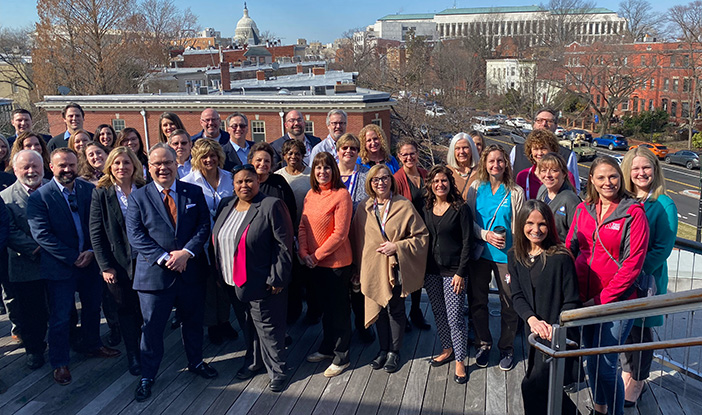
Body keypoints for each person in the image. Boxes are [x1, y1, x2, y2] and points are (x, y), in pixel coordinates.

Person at [126, 143, 216, 402]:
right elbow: (136, 235)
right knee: (152, 328)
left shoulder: (193, 191)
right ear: (149, 168)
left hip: (190, 270)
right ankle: (148, 375)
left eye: (168, 163)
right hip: (155, 276)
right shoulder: (138, 197)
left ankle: (196, 362)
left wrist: (186, 253)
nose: (163, 168)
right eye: (157, 164)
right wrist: (166, 258)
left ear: (177, 165)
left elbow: (203, 226)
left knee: (193, 322)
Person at [27, 148, 121, 386]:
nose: (68, 170)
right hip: (60, 267)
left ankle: (92, 345)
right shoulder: (40, 197)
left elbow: (100, 224)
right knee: (60, 316)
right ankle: (59, 362)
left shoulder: (89, 190)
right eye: (62, 166)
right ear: (51, 167)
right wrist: (72, 257)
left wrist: (90, 252)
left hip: (90, 264)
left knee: (92, 308)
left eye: (71, 165)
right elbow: (42, 235)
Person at [566, 156, 649, 415]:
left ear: (620, 178)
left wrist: (601, 300)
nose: (607, 182)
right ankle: (600, 409)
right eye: (601, 177)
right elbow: (570, 248)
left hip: (616, 302)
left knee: (606, 365)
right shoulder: (583, 209)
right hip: (585, 299)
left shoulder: (633, 213)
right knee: (591, 361)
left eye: (612, 176)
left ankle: (614, 412)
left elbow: (631, 266)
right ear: (591, 179)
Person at [211, 163, 294, 393]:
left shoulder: (271, 205)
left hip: (262, 280)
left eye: (249, 180)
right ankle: (254, 360)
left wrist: (277, 277)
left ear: (258, 181)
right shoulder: (226, 205)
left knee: (268, 327)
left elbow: (284, 246)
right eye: (239, 181)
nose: (244, 185)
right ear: (233, 185)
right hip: (231, 280)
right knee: (247, 324)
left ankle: (278, 369)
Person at [351, 164, 428, 373]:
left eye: (385, 178)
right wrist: (358, 269)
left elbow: (421, 236)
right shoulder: (364, 208)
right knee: (379, 307)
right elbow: (359, 240)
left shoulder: (404, 206)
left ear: (391, 181)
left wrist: (398, 246)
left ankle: (395, 351)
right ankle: (383, 349)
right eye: (376, 180)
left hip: (396, 267)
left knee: (395, 309)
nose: (381, 183)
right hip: (373, 268)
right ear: (370, 183)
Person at [509, 200, 581, 415]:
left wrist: (554, 327)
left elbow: (572, 300)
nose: (536, 229)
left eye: (542, 224)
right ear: (521, 225)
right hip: (533, 333)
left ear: (549, 226)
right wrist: (531, 319)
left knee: (532, 386)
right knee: (547, 389)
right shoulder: (515, 255)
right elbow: (517, 295)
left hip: (555, 336)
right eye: (530, 223)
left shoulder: (560, 258)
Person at [620, 147, 678, 407]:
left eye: (646, 168)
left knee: (641, 330)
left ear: (655, 169)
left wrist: (635, 271)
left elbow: (662, 248)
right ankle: (626, 370)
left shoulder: (663, 203)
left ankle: (639, 380)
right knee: (623, 328)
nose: (641, 173)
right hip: (621, 277)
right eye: (636, 168)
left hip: (646, 279)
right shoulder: (626, 199)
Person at [466, 144, 525, 371]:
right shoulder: (475, 188)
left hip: (506, 256)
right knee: (478, 301)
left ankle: (506, 347)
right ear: (484, 164)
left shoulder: (515, 192)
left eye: (500, 160)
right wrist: (485, 234)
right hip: (480, 254)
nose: (496, 165)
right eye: (491, 161)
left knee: (508, 302)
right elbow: (468, 221)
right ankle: (483, 343)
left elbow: (520, 226)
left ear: (506, 164)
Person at [89, 146, 146, 376]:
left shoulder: (144, 188)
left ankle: (147, 350)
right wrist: (105, 266)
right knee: (125, 310)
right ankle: (133, 355)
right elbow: (96, 232)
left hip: (145, 260)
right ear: (110, 166)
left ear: (134, 165)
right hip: (118, 263)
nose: (122, 167)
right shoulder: (101, 193)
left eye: (126, 163)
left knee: (145, 309)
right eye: (117, 163)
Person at [299, 152, 354, 378]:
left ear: (334, 170)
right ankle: (327, 346)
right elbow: (302, 226)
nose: (323, 172)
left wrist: (317, 255)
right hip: (314, 264)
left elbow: (340, 233)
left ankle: (342, 354)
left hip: (336, 264)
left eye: (327, 167)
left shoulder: (341, 195)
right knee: (325, 309)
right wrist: (303, 253)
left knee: (339, 310)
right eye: (318, 168)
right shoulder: (310, 195)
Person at [181, 138, 237, 345]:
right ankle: (212, 324)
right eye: (204, 156)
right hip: (201, 241)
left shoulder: (229, 178)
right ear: (197, 158)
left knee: (224, 282)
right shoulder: (187, 182)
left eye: (213, 155)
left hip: (227, 239)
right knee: (207, 284)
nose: (209, 159)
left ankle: (224, 320)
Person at [421, 165, 473, 383]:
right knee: (439, 313)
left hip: (453, 272)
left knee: (455, 317)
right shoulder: (426, 208)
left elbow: (467, 242)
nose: (440, 185)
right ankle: (447, 348)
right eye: (435, 182)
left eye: (444, 181)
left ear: (450, 183)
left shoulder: (460, 208)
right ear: (430, 186)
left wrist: (461, 273)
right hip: (432, 270)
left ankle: (460, 360)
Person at [1, 150, 49, 370]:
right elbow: (8, 230)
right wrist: (38, 248)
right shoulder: (5, 197)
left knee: (62, 307)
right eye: (25, 167)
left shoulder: (53, 188)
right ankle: (34, 350)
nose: (31, 171)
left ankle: (67, 342)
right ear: (16, 170)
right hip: (25, 265)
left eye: (35, 166)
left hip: (56, 263)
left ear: (43, 166)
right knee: (31, 312)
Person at [333, 134, 375, 342]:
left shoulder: (367, 175)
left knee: (359, 284)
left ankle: (363, 325)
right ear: (338, 151)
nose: (348, 152)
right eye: (344, 148)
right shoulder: (330, 175)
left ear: (359, 152)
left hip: (360, 235)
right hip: (335, 239)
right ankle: (342, 329)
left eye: (353, 148)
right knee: (340, 287)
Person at [393, 138, 431, 331]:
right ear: (399, 157)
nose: (409, 157)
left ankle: (416, 312)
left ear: (417, 154)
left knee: (420, 275)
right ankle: (402, 316)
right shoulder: (397, 179)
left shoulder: (425, 175)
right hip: (407, 234)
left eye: (412, 153)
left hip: (426, 233)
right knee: (406, 275)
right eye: (404, 154)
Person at [274, 139, 311, 324]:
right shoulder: (278, 176)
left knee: (310, 274)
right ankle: (293, 312)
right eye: (289, 153)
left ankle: (314, 311)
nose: (293, 157)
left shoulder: (311, 175)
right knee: (294, 274)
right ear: (284, 156)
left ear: (303, 154)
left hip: (309, 230)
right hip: (288, 231)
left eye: (297, 153)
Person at [510, 108, 580, 194]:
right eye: (539, 120)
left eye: (549, 121)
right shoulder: (517, 150)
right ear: (534, 124)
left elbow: (575, 189)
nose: (544, 124)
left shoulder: (568, 155)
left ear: (556, 126)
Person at [516, 129, 576, 200]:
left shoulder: (566, 175)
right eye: (535, 149)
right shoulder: (522, 176)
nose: (539, 153)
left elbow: (571, 201)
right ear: (530, 151)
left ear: (552, 149)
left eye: (543, 148)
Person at [535, 152, 581, 242]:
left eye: (554, 170)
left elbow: (577, 236)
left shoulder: (570, 200)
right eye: (544, 170)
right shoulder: (542, 190)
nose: (548, 175)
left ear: (564, 173)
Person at [248, 142, 297, 223]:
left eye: (267, 161)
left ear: (271, 164)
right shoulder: (246, 183)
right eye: (258, 160)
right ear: (251, 162)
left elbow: (291, 208)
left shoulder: (279, 182)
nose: (262, 164)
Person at [446, 133, 480, 199]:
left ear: (472, 149)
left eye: (465, 147)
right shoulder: (446, 171)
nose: (461, 151)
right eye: (457, 148)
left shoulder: (482, 170)